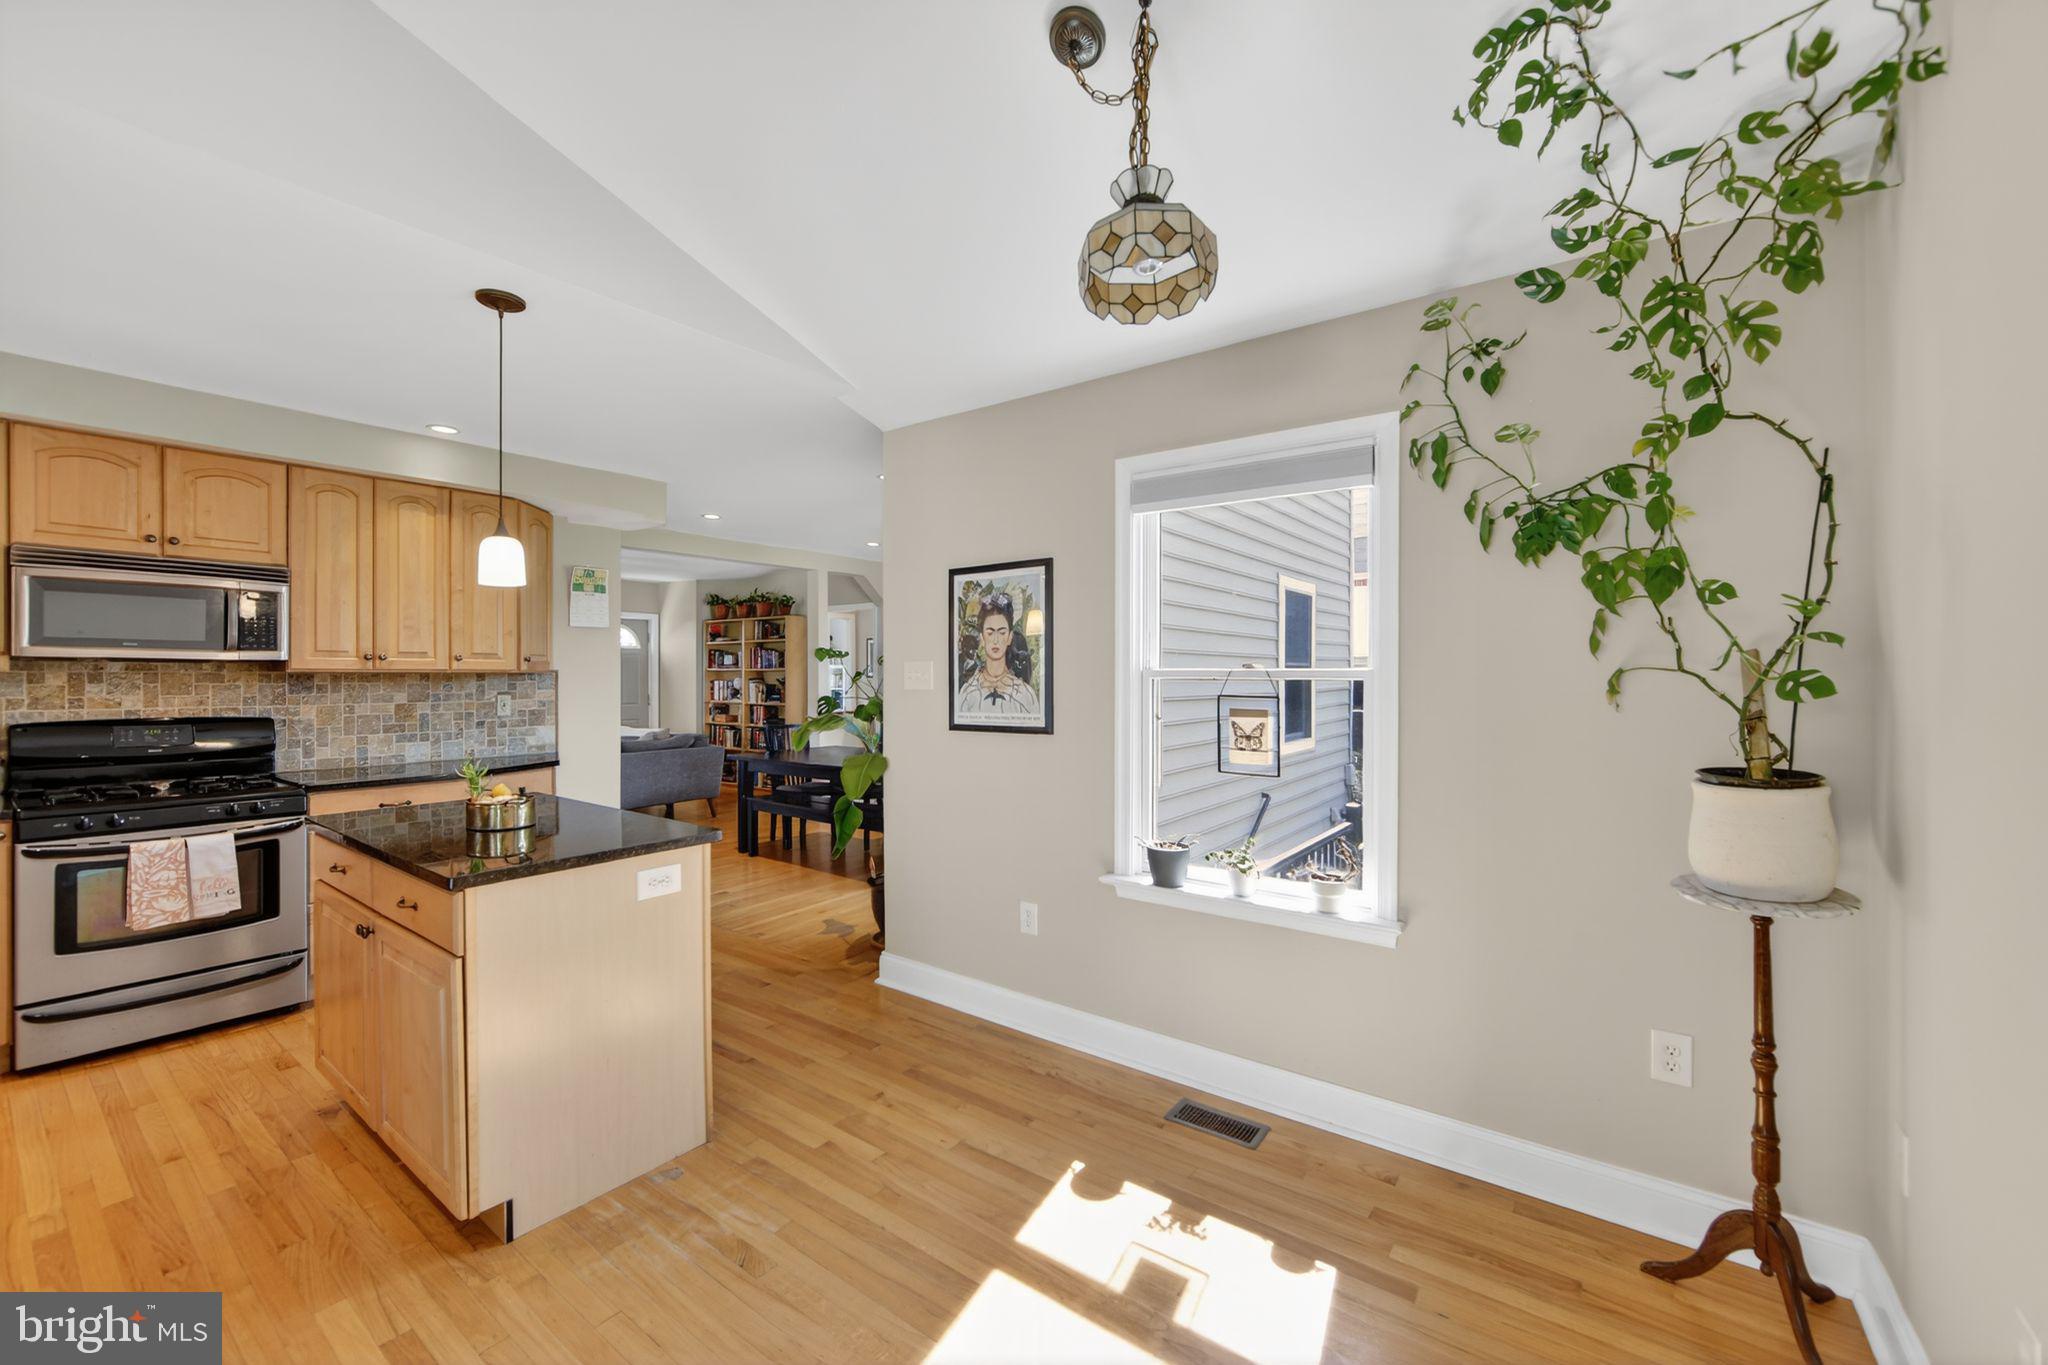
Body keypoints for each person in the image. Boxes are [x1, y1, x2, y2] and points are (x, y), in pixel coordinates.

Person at [956, 591, 1040, 720]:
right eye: (990, 633)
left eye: (1001, 632)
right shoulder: (967, 692)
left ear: (1010, 637)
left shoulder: (1026, 694)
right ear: (982, 638)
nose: (995, 640)